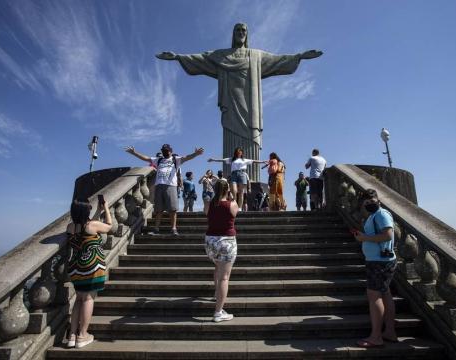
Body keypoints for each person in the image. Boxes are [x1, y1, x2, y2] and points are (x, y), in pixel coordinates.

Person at [156, 23, 322, 182]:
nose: (241, 33)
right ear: (233, 34)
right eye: (238, 30)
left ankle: (251, 180)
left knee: (251, 137)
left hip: (250, 108)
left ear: (247, 34)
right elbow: (202, 58)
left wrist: (299, 56)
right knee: (230, 135)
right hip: (230, 104)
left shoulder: (256, 55)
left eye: (244, 30)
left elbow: (278, 60)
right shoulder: (222, 56)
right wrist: (178, 57)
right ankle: (231, 180)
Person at [125, 143, 204, 235]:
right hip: (159, 186)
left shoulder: (176, 159)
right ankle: (156, 229)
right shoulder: (159, 160)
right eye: (163, 151)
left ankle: (174, 229)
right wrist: (134, 153)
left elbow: (187, 157)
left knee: (173, 209)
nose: (165, 152)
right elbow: (146, 158)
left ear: (171, 151)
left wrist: (196, 154)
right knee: (158, 209)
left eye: (167, 150)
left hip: (171, 186)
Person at [353, 189, 397, 348]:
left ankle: (376, 337)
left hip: (379, 262)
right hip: (380, 260)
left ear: (378, 200)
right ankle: (389, 332)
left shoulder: (381, 214)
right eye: (367, 203)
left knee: (374, 297)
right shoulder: (375, 215)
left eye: (373, 201)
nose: (370, 204)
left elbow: (388, 235)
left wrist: (364, 238)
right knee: (385, 294)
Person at [66, 197, 112, 349]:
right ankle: (83, 335)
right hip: (92, 266)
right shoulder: (92, 225)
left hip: (75, 267)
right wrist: (106, 208)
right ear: (86, 211)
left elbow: (87, 224)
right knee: (88, 299)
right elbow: (109, 226)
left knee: (79, 299)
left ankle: (72, 335)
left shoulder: (71, 227)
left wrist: (98, 211)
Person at [204, 179, 239, 322]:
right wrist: (233, 195)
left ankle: (216, 294)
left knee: (217, 268)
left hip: (210, 242)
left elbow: (207, 214)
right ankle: (218, 312)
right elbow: (234, 214)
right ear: (227, 190)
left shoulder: (208, 204)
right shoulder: (232, 204)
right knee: (224, 277)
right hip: (226, 242)